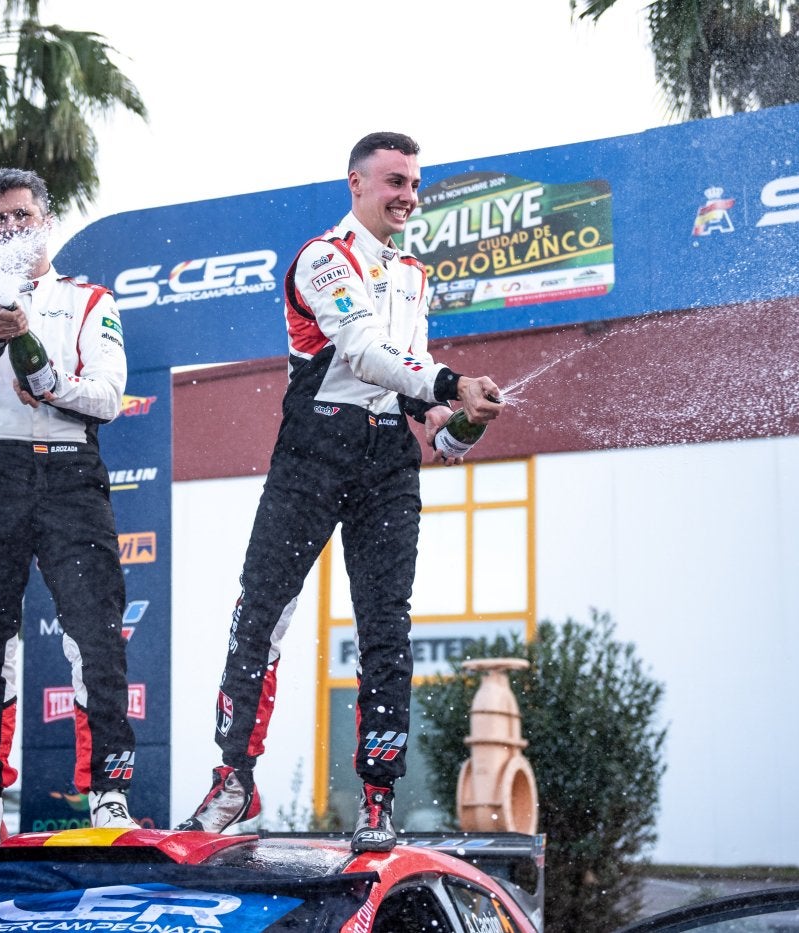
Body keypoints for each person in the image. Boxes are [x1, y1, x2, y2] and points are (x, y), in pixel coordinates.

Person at [176, 132, 503, 851]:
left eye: (414, 183)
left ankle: (377, 798)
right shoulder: (323, 257)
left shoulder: (415, 277)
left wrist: (459, 419)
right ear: (356, 184)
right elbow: (360, 350)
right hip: (313, 449)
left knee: (386, 625)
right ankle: (234, 780)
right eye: (393, 181)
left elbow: (422, 403)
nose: (407, 195)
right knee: (262, 610)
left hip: (386, 458)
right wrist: (448, 383)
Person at [0, 167, 138, 857]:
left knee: (98, 633)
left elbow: (107, 397)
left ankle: (108, 791)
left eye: (22, 215)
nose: (11, 228)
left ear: (45, 218)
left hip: (70, 471)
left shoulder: (89, 299)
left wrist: (46, 373)